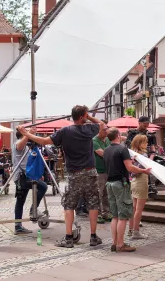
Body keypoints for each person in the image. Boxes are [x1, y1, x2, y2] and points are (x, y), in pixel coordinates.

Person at [17, 105, 105, 248]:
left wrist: (26, 133)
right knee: (93, 204)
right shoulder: (89, 129)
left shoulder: (65, 131)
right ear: (82, 116)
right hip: (90, 172)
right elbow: (102, 125)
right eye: (86, 114)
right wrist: (88, 117)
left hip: (74, 174)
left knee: (69, 205)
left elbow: (44, 141)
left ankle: (69, 238)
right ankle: (94, 237)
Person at [103, 127, 151, 253]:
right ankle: (120, 244)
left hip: (109, 183)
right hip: (120, 184)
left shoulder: (107, 150)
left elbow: (116, 163)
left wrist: (132, 161)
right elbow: (130, 168)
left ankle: (114, 243)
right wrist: (143, 170)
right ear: (118, 135)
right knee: (123, 216)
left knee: (114, 216)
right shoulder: (122, 149)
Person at [12, 128, 48, 235]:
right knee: (43, 187)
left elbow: (28, 164)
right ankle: (33, 210)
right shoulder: (18, 143)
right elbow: (19, 146)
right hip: (21, 177)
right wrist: (28, 134)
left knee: (20, 201)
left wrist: (36, 175)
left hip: (25, 176)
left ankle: (18, 226)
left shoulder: (26, 147)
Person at [128, 135, 150, 239]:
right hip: (141, 181)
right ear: (140, 144)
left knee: (134, 208)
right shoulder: (143, 155)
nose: (147, 144)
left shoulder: (132, 154)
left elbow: (131, 170)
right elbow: (140, 169)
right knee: (139, 209)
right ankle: (136, 232)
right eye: (145, 142)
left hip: (134, 182)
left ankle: (131, 229)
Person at [93, 123, 111, 224]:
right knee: (98, 193)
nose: (106, 131)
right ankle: (98, 214)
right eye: (104, 129)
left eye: (107, 129)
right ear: (98, 131)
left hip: (107, 169)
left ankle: (106, 213)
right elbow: (102, 153)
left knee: (106, 193)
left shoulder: (107, 139)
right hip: (99, 170)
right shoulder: (94, 141)